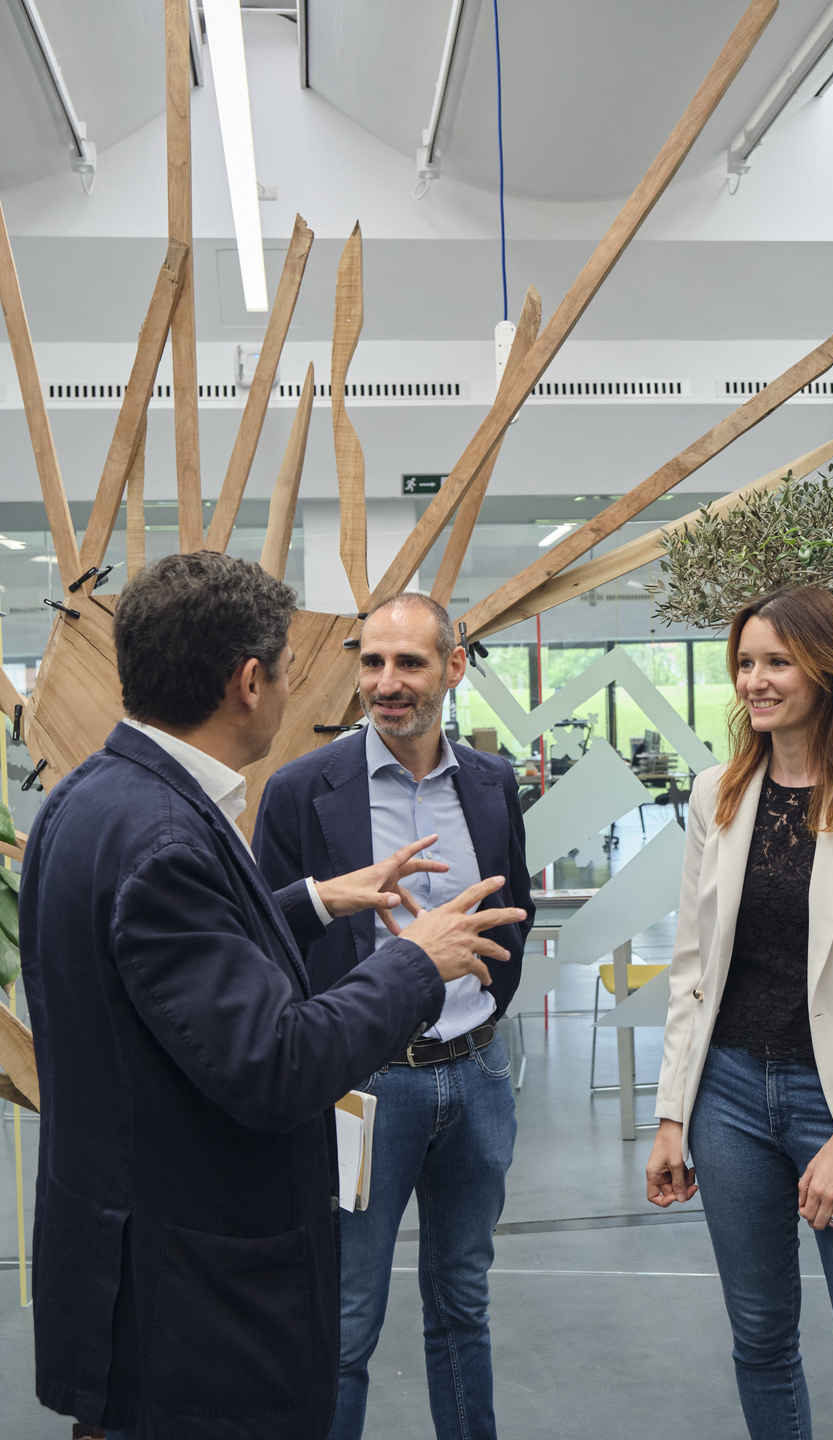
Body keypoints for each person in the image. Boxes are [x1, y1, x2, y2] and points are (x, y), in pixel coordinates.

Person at [20, 552, 526, 1440]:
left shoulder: (91, 800)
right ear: (250, 682)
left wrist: (312, 901)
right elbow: (275, 1061)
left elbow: (175, 966)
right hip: (188, 1292)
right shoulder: (169, 836)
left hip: (131, 1261)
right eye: (296, 668)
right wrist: (417, 961)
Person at [646, 584, 833, 1440]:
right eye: (745, 663)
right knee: (760, 1342)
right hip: (730, 1099)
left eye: (777, 662)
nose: (755, 681)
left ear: (827, 669)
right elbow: (693, 968)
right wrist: (671, 1114)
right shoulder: (717, 792)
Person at [255, 591, 534, 1440]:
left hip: (477, 1076)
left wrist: (482, 1014)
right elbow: (268, 940)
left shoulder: (491, 782)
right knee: (345, 1322)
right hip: (363, 1089)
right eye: (372, 662)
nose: (386, 682)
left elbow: (512, 914)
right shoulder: (302, 791)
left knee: (463, 1305)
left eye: (409, 662)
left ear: (453, 667)